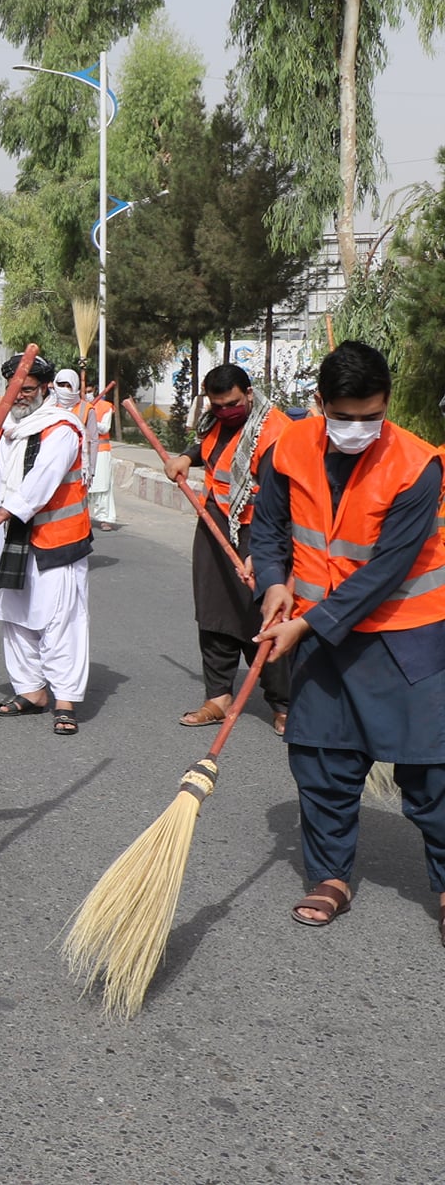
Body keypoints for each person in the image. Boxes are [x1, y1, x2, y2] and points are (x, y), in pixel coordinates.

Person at [250, 341, 445, 938]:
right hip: (320, 634)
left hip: (405, 635)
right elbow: (269, 528)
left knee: (432, 771)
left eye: (372, 416)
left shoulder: (418, 464)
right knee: (323, 758)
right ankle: (330, 876)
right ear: (319, 404)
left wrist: (307, 622)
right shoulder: (286, 451)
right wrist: (275, 584)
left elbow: (387, 568)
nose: (360, 428)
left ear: (385, 405)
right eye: (346, 417)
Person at [162, 364, 293, 731]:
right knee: (215, 613)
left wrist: (266, 551)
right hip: (216, 525)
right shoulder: (218, 422)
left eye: (232, 404)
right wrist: (186, 458)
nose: (225, 412)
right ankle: (218, 696)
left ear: (249, 394)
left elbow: (280, 500)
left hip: (260, 531)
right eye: (217, 406)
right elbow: (208, 449)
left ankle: (283, 702)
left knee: (263, 615)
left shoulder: (275, 432)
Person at [0, 357, 92, 734]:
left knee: (61, 618)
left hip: (57, 537)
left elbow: (43, 479)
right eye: (14, 389)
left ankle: (65, 697)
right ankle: (31, 690)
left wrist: (2, 514)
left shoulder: (63, 428)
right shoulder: (9, 427)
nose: (19, 396)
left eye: (27, 389)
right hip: (16, 536)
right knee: (16, 614)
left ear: (45, 388)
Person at [82, 380, 120, 531]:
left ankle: (105, 518)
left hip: (101, 451)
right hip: (84, 450)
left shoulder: (105, 407)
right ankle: (83, 516)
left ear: (95, 390)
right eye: (85, 391)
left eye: (90, 391)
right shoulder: (79, 407)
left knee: (103, 485)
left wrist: (89, 421)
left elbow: (105, 428)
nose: (87, 394)